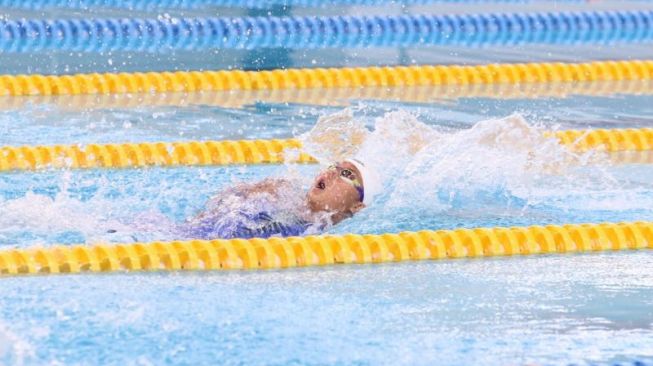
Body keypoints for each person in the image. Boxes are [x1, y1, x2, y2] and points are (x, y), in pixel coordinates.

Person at [181, 158, 382, 240]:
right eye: (333, 167)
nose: (331, 173)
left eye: (346, 174)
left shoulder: (313, 235)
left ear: (357, 207)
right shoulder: (285, 194)